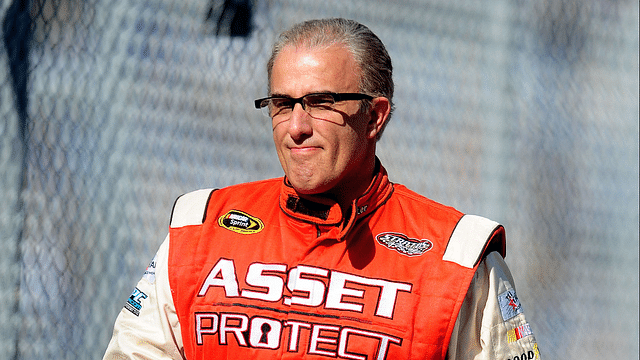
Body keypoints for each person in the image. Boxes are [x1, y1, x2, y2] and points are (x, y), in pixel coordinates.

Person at [103, 18, 541, 360]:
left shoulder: (456, 257)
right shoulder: (199, 229)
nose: (296, 127)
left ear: (375, 117)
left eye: (321, 103)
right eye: (282, 104)